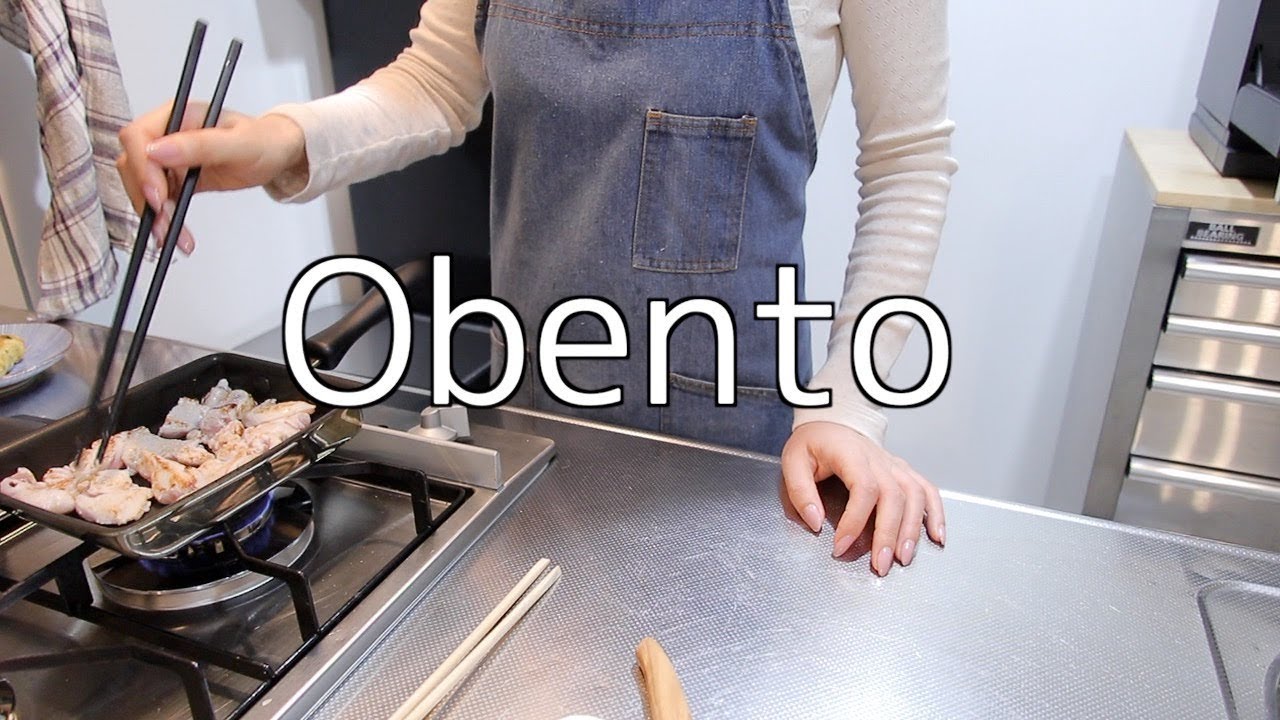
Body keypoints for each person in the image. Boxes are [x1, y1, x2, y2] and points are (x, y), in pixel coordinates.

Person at [116, 0, 956, 576]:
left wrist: (848, 410)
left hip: (731, 463)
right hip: (534, 430)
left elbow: (908, 161)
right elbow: (438, 82)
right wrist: (277, 139)